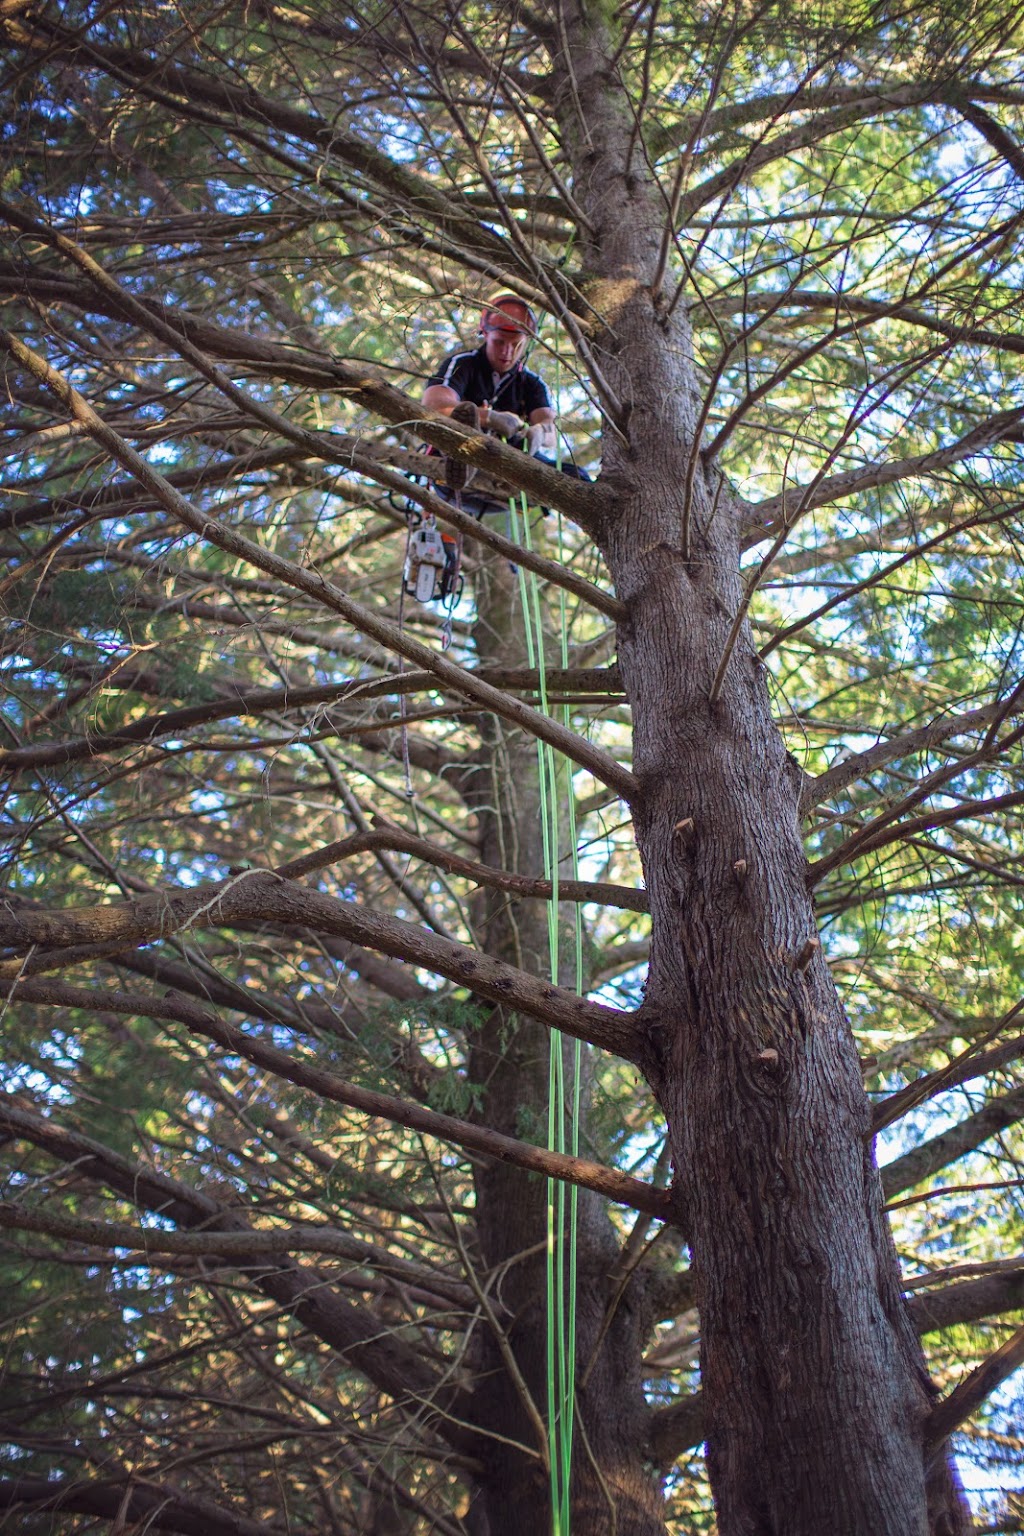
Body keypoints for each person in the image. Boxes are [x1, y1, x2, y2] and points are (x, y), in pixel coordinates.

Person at [422, 295, 557, 507]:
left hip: (507, 470)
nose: (507, 352)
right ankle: (466, 458)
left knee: (574, 474)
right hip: (452, 478)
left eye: (516, 345)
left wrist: (539, 434)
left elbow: (550, 431)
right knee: (462, 420)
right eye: (499, 342)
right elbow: (434, 405)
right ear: (485, 334)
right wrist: (487, 417)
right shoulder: (463, 365)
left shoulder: (531, 383)